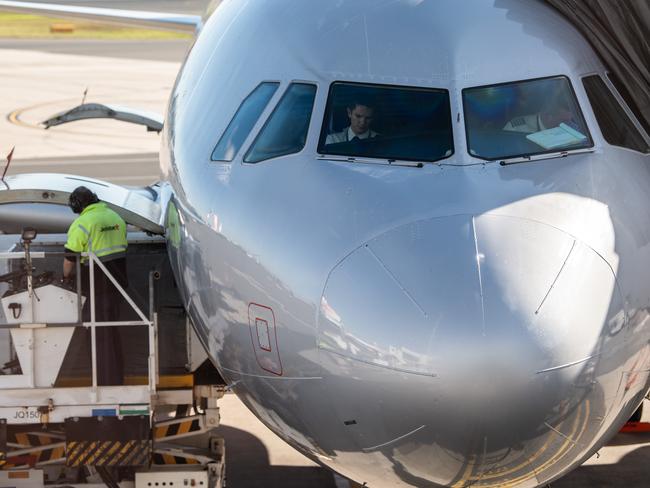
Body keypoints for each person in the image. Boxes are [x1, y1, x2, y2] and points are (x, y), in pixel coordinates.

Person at [63, 186, 128, 386]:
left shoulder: (82, 223)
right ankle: (116, 378)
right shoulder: (115, 217)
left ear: (76, 206)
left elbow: (69, 258)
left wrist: (65, 278)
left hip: (96, 287)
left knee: (99, 336)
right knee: (112, 333)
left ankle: (104, 381)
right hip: (117, 286)